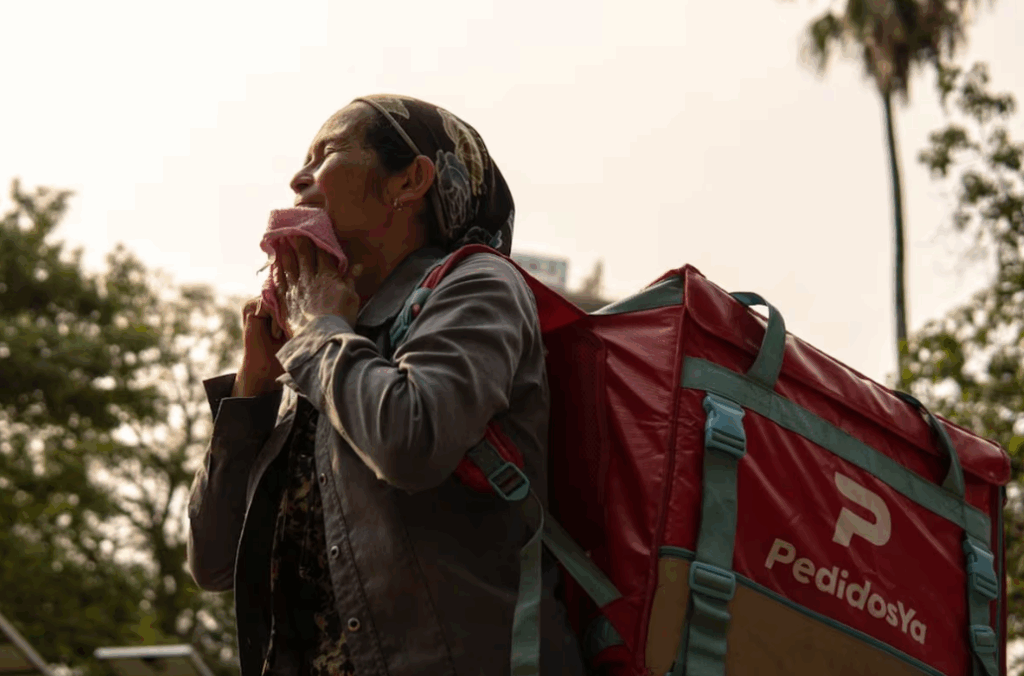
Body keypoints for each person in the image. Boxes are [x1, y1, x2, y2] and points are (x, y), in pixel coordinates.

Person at [186, 94, 586, 676]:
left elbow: (411, 442)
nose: (298, 179)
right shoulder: (330, 343)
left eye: (326, 154)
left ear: (410, 180)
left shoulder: (478, 285)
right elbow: (213, 563)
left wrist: (320, 331)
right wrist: (252, 390)